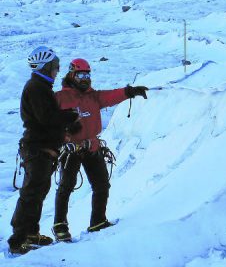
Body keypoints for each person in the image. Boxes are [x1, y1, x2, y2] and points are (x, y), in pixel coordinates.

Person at [52, 58, 148, 242]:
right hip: (71, 150)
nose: (84, 78)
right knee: (66, 187)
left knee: (102, 184)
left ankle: (98, 221)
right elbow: (48, 122)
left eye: (87, 74)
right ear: (71, 74)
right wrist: (62, 139)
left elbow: (111, 96)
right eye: (80, 74)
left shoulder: (93, 97)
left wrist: (130, 92)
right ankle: (60, 226)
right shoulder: (60, 98)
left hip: (91, 147)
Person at [8, 46, 80, 255]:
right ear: (45, 66)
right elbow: (46, 118)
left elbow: (47, 117)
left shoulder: (41, 87)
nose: (57, 70)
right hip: (37, 149)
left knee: (37, 193)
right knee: (31, 194)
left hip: (42, 149)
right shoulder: (36, 88)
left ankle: (30, 233)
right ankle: (18, 240)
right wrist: (69, 116)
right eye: (55, 66)